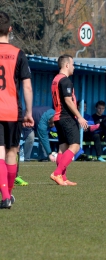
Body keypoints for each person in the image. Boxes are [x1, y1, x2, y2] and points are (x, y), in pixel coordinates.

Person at [0, 11, 34, 209]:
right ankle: (8, 195)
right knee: (12, 152)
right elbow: (27, 86)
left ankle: (4, 196)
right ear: (10, 29)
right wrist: (28, 112)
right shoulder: (18, 54)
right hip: (13, 110)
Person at [50, 54, 88, 186]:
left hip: (58, 117)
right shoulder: (65, 81)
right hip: (66, 117)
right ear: (66, 65)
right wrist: (79, 116)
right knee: (75, 146)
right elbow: (68, 100)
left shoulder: (55, 79)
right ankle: (57, 173)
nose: (74, 67)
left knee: (63, 148)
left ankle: (63, 178)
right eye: (73, 64)